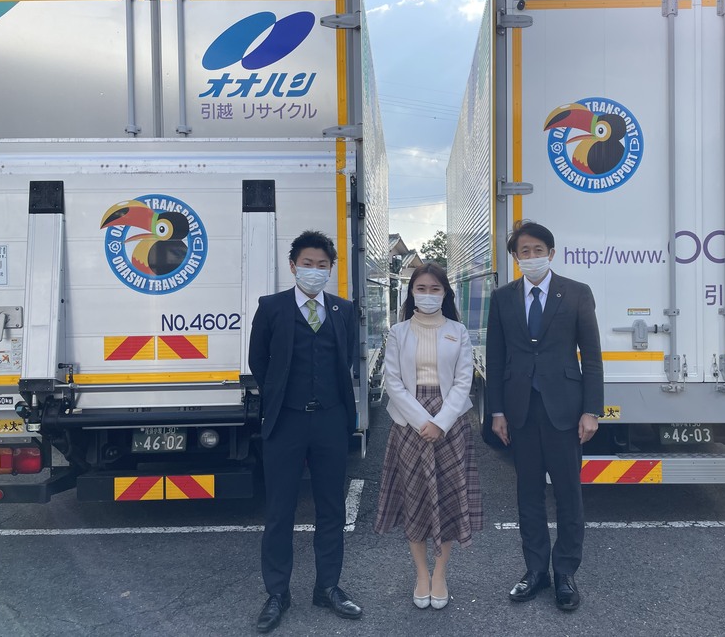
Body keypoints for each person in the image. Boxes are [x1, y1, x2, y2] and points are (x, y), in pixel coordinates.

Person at [486, 220, 604, 612]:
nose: (532, 256)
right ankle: (535, 571)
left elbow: (592, 356)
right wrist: (496, 411)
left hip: (565, 410)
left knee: (569, 494)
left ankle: (565, 572)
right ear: (515, 257)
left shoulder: (576, 293)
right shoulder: (502, 298)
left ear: (551, 253)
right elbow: (495, 358)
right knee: (528, 494)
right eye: (525, 251)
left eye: (539, 250)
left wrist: (591, 410)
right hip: (520, 410)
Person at [248, 230, 362, 633]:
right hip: (286, 421)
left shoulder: (343, 309)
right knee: (280, 510)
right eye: (307, 264)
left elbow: (346, 358)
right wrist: (284, 395)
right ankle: (277, 592)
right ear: (293, 266)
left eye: (322, 265)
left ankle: (327, 587)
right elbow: (259, 360)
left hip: (330, 420)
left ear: (331, 269)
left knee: (331, 508)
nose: (315, 271)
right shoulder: (271, 307)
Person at [375, 263, 482, 610]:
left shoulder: (458, 331)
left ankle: (440, 574)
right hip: (409, 423)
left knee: (447, 497)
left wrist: (441, 422)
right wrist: (423, 421)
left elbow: (464, 381)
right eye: (421, 288)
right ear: (411, 293)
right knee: (414, 498)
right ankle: (421, 573)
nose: (428, 295)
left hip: (450, 422)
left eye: (435, 289)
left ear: (445, 293)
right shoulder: (398, 332)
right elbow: (393, 382)